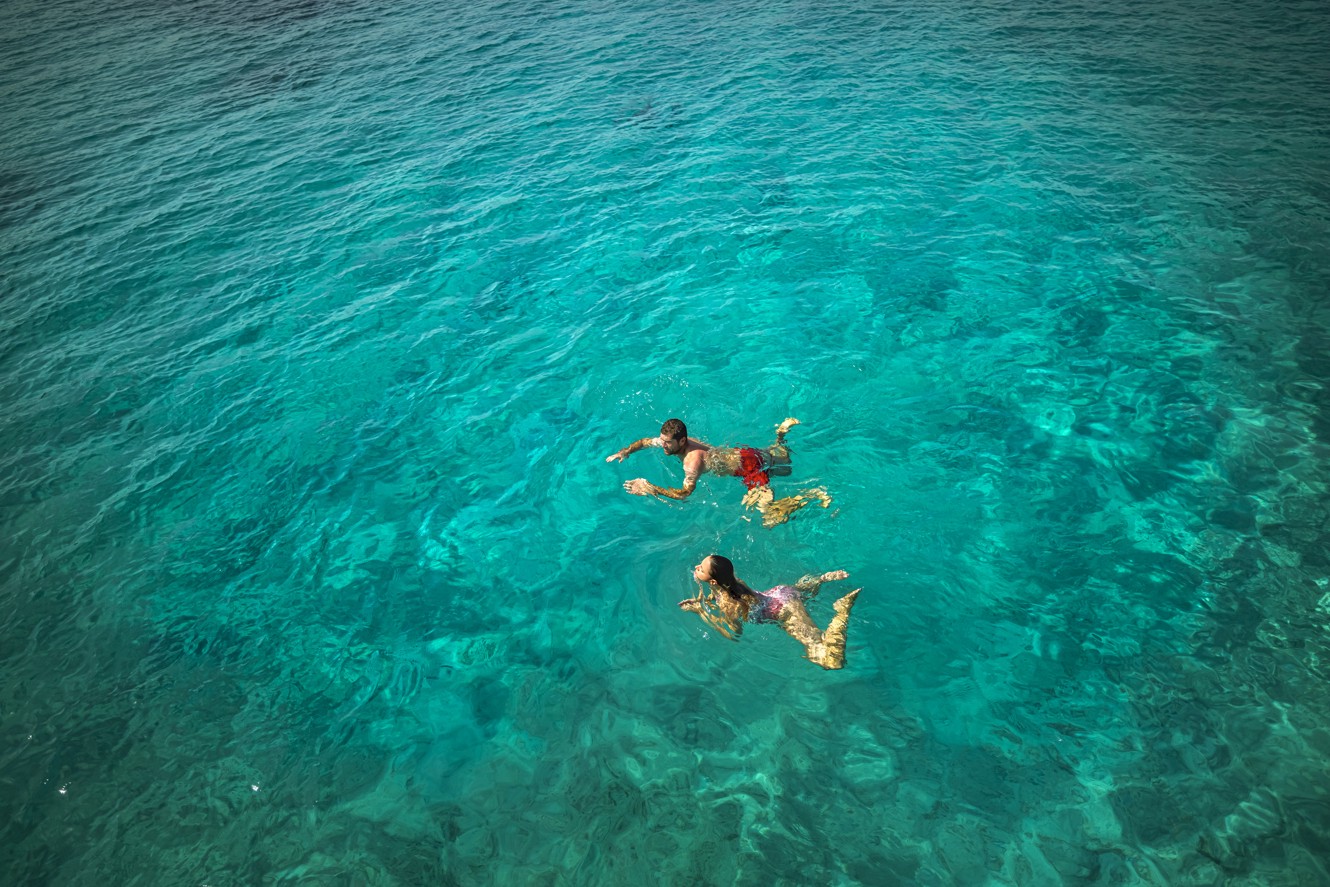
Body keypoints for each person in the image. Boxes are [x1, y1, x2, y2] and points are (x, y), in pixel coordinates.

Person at [605, 417, 831, 527]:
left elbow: (684, 494)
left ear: (681, 440)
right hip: (743, 454)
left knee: (769, 517)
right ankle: (781, 433)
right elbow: (645, 441)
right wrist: (625, 451)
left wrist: (650, 488)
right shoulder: (676, 442)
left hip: (747, 469)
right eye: (662, 441)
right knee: (785, 465)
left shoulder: (692, 461)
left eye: (666, 443)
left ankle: (812, 494)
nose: (662, 445)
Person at [678, 554, 861, 670]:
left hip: (784, 610)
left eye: (701, 569)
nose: (696, 568)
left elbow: (733, 634)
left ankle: (842, 610)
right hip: (780, 593)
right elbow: (722, 593)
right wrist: (706, 600)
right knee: (801, 592)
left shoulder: (728, 604)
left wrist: (700, 611)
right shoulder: (731, 582)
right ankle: (821, 579)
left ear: (712, 583)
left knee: (830, 660)